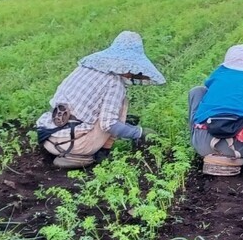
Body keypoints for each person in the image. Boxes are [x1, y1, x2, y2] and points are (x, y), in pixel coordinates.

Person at [36, 31, 163, 168]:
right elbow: (108, 124)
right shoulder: (115, 82)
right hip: (73, 145)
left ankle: (67, 150)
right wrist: (139, 132)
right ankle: (98, 152)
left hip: (48, 137)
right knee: (120, 106)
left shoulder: (84, 68)